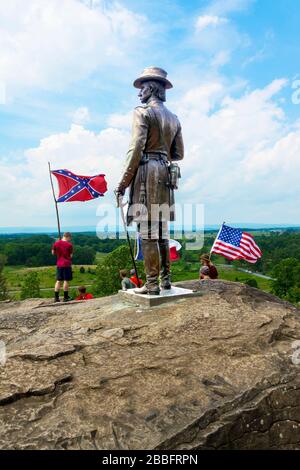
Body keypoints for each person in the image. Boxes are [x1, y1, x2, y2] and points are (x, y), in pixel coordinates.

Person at [115, 67, 184, 295]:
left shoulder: (142, 112)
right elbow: (178, 153)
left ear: (151, 88)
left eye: (142, 88)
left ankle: (152, 284)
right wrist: (161, 152)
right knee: (162, 232)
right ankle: (165, 281)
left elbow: (135, 148)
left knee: (147, 231)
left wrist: (123, 183)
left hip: (147, 174)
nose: (139, 94)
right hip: (165, 173)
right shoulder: (174, 118)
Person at [52, 232, 73, 302]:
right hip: (66, 264)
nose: (70, 239)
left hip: (59, 264)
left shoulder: (56, 243)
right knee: (66, 280)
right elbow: (71, 256)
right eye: (70, 238)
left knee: (58, 281)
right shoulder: (69, 245)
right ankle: (65, 297)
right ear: (68, 237)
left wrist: (59, 253)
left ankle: (56, 298)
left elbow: (53, 253)